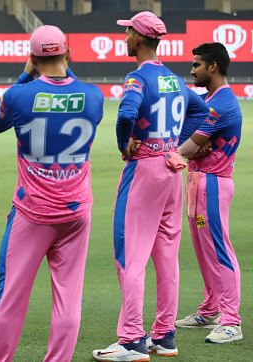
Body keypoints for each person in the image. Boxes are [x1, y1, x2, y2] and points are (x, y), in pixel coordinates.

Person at [0, 25, 103, 362]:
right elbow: (72, 86)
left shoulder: (20, 96)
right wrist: (62, 65)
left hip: (33, 211)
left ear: (32, 57)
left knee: (12, 297)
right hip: (77, 211)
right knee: (68, 297)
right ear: (68, 53)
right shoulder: (94, 96)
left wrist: (25, 75)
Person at [93, 11, 210, 361]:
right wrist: (177, 143)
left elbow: (127, 114)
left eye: (128, 31)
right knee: (167, 257)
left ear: (140, 38)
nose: (125, 37)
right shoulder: (175, 79)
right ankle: (165, 336)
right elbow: (202, 112)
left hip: (143, 170)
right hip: (172, 171)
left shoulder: (137, 78)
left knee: (130, 256)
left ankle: (131, 340)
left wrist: (124, 143)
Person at [175, 42, 243, 344]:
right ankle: (211, 309)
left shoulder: (222, 105)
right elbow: (187, 140)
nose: (192, 70)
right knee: (205, 252)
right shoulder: (209, 100)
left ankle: (231, 321)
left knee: (219, 250)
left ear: (212, 67)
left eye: (197, 65)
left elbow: (187, 147)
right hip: (198, 183)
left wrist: (171, 152)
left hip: (213, 185)